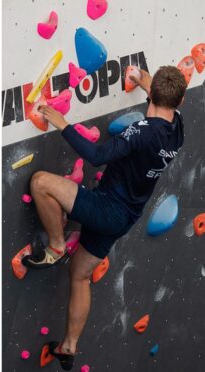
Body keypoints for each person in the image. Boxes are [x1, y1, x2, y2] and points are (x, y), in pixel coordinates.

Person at [21, 66, 186, 370]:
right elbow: (164, 96)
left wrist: (60, 121)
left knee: (41, 183)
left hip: (106, 206)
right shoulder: (177, 128)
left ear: (155, 95)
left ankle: (57, 247)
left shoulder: (141, 133)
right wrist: (141, 78)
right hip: (126, 216)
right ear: (179, 100)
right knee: (81, 276)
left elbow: (96, 156)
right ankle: (68, 347)